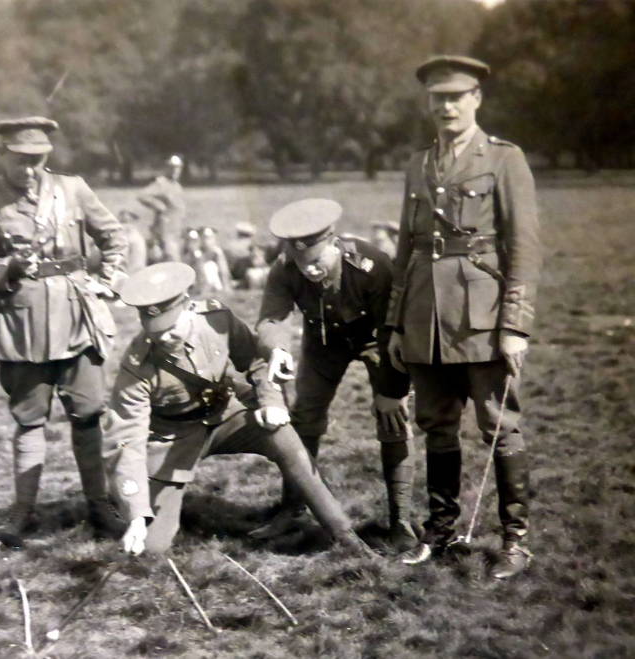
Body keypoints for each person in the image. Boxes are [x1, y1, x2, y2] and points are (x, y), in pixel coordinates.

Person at [387, 56, 541, 579]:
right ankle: (440, 530)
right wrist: (394, 324)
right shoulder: (417, 163)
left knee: (500, 426)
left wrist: (516, 325)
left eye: (457, 96)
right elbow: (406, 247)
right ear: (427, 104)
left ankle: (516, 541)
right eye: (438, 98)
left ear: (477, 98)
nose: (447, 106)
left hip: (484, 315)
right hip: (425, 316)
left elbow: (524, 247)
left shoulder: (503, 159)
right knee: (436, 426)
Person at [104, 262, 376, 557]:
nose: (164, 338)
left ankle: (344, 535)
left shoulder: (216, 319)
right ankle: (144, 521)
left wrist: (271, 401)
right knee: (152, 548)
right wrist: (135, 516)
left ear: (187, 307)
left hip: (226, 414)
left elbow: (257, 361)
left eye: (171, 328)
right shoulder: (136, 364)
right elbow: (126, 439)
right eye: (155, 331)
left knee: (283, 435)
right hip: (174, 438)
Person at [0, 116, 128, 546]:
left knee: (88, 415)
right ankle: (23, 510)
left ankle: (100, 503)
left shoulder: (72, 189)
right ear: (3, 155)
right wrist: (8, 268)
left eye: (37, 160)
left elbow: (113, 235)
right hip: (22, 325)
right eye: (20, 160)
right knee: (29, 420)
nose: (30, 169)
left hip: (78, 320)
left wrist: (108, 281)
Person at [254, 199, 417, 552]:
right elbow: (271, 318)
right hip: (323, 340)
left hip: (377, 340)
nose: (309, 271)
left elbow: (393, 328)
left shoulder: (372, 265)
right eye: (301, 263)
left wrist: (393, 388)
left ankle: (400, 520)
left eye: (316, 262)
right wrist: (277, 348)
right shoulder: (284, 269)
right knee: (305, 417)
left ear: (333, 243)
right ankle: (293, 509)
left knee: (393, 418)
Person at [138, 155, 186, 263]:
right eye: (172, 167)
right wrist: (157, 204)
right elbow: (142, 195)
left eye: (178, 167)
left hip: (177, 232)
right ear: (167, 168)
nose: (175, 170)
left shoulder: (177, 186)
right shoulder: (162, 183)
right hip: (166, 232)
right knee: (172, 263)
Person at [198, 227, 231, 293]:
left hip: (216, 283)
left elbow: (223, 271)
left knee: (211, 266)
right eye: (204, 238)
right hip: (201, 282)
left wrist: (226, 286)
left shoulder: (217, 252)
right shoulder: (197, 252)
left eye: (210, 238)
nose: (207, 241)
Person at [118, 209, 148, 273]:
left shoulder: (133, 237)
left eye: (125, 222)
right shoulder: (137, 236)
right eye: (121, 222)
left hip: (132, 273)